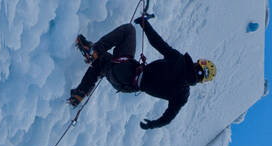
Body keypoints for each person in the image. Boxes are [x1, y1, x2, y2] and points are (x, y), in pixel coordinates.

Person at [69, 17, 216, 129]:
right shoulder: (183, 95)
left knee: (128, 30)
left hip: (127, 70)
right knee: (102, 63)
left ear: (199, 63)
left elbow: (158, 43)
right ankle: (80, 93)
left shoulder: (179, 61)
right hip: (124, 85)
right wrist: (153, 124)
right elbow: (168, 117)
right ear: (201, 80)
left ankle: (93, 50)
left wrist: (145, 25)